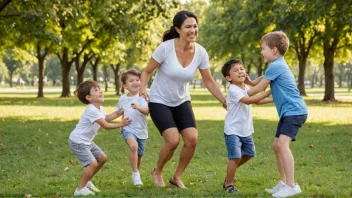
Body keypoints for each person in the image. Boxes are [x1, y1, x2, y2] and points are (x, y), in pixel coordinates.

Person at [140, 10, 227, 189]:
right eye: (188, 27)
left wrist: (223, 100)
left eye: (195, 26)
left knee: (192, 139)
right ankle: (157, 170)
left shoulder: (201, 52)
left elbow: (209, 81)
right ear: (178, 29)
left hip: (181, 101)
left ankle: (176, 176)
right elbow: (147, 70)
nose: (193, 30)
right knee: (172, 141)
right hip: (159, 100)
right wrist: (142, 88)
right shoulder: (165, 48)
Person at [247, 31, 308, 197]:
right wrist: (249, 82)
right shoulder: (275, 65)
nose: (261, 52)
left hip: (295, 111)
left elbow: (260, 89)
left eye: (263, 48)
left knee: (282, 145)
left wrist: (240, 95)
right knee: (277, 146)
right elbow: (259, 81)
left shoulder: (276, 66)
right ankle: (283, 183)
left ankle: (292, 185)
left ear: (274, 50)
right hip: (288, 113)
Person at [68, 80, 132, 196]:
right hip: (78, 141)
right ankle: (79, 189)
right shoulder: (91, 109)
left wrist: (120, 111)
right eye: (96, 90)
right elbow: (105, 125)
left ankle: (87, 182)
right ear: (89, 97)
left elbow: (106, 118)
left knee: (102, 158)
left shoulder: (99, 109)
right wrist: (121, 124)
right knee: (92, 163)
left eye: (99, 89)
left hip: (86, 141)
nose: (101, 91)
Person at [221, 59, 272, 193]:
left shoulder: (246, 88)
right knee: (235, 157)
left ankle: (230, 174)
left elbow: (258, 101)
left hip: (245, 129)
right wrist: (268, 92)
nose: (240, 72)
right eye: (235, 70)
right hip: (233, 129)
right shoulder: (233, 89)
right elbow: (248, 101)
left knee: (249, 153)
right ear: (228, 78)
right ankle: (229, 184)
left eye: (242, 69)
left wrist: (273, 98)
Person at [116, 70, 149, 187]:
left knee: (139, 154)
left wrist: (138, 107)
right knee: (133, 146)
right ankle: (136, 174)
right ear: (125, 86)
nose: (135, 82)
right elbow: (118, 112)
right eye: (131, 81)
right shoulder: (123, 98)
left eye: (137, 80)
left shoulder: (143, 96)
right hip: (128, 128)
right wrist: (103, 118)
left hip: (141, 130)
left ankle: (136, 173)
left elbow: (147, 111)